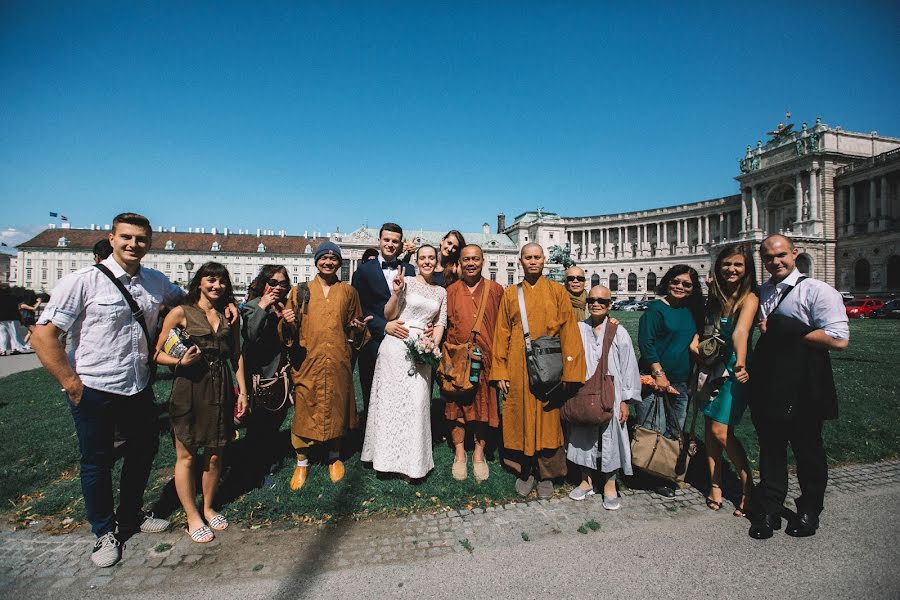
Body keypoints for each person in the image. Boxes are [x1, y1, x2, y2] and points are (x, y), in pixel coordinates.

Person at [30, 213, 178, 568]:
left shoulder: (156, 281)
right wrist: (71, 383)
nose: (133, 244)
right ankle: (103, 532)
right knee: (96, 462)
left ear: (150, 242)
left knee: (143, 452)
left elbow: (188, 299)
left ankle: (130, 515)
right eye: (126, 237)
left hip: (138, 385)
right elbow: (43, 335)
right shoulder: (82, 281)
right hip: (95, 387)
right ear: (111, 238)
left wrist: (229, 305)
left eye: (141, 239)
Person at [748, 234, 849, 540]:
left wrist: (785, 328)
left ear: (794, 253)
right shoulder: (762, 291)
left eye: (781, 255)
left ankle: (809, 509)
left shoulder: (818, 290)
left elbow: (839, 340)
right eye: (768, 257)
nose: (775, 261)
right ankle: (769, 508)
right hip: (770, 378)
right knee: (771, 447)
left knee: (807, 447)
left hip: (806, 377)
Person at [154, 262, 247, 544]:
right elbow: (156, 352)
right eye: (210, 280)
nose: (216, 286)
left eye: (221, 281)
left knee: (216, 452)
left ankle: (208, 506)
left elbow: (237, 356)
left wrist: (242, 392)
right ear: (199, 282)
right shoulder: (181, 313)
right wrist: (179, 361)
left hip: (220, 387)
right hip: (190, 387)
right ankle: (192, 516)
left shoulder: (229, 315)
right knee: (187, 454)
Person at [491, 243, 586, 499]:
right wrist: (500, 370)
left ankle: (547, 473)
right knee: (518, 414)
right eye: (528, 258)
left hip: (550, 366)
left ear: (544, 260)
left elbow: (569, 331)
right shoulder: (511, 293)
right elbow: (501, 333)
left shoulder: (557, 291)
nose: (532, 262)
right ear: (520, 261)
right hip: (517, 364)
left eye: (537, 257)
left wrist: (571, 373)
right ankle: (525, 470)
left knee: (548, 419)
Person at [279, 243, 370, 490]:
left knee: (337, 405)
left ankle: (334, 456)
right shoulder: (300, 291)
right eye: (324, 258)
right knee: (304, 408)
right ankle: (302, 461)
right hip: (308, 359)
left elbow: (355, 326)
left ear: (340, 263)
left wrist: (359, 329)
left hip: (338, 358)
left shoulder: (349, 292)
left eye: (333, 259)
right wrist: (287, 323)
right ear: (317, 261)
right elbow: (287, 330)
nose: (328, 262)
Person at [361, 245, 447, 479]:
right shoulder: (405, 280)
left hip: (422, 349)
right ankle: (385, 461)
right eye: (423, 258)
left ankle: (413, 464)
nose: (427, 262)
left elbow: (440, 323)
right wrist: (397, 293)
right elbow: (389, 315)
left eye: (431, 258)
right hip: (396, 344)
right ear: (416, 261)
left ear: (436, 261)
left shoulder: (441, 292)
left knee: (417, 403)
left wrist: (432, 346)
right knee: (390, 404)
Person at [692, 243, 758, 516]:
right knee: (709, 427)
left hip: (734, 368)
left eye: (738, 265)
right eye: (727, 264)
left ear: (746, 270)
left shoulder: (749, 298)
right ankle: (715, 484)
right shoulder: (715, 296)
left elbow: (740, 332)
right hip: (710, 364)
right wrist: (695, 342)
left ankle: (748, 487)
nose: (732, 269)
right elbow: (706, 328)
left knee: (721, 430)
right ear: (718, 266)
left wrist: (741, 361)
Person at [567, 285, 641, 509]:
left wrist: (624, 400)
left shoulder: (619, 332)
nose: (596, 303)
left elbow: (629, 366)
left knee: (612, 437)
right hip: (584, 390)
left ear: (610, 305)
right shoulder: (578, 328)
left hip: (612, 391)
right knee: (582, 434)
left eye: (602, 301)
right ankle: (585, 480)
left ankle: (610, 484)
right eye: (592, 300)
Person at [636, 264, 704, 497]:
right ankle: (650, 473)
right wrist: (658, 373)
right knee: (654, 427)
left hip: (682, 380)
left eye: (686, 284)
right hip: (655, 381)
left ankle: (667, 469)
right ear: (668, 282)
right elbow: (646, 343)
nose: (680, 286)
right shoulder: (656, 309)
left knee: (676, 428)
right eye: (676, 281)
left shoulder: (690, 311)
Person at [443, 244, 504, 482]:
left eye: (475, 259)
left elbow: (506, 327)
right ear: (459, 262)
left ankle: (479, 453)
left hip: (486, 361)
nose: (471, 263)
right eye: (466, 259)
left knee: (483, 410)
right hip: (457, 363)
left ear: (483, 261)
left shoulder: (496, 290)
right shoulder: (450, 291)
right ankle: (460, 453)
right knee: (456, 409)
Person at [351, 223, 416, 418]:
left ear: (401, 244)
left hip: (402, 336)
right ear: (379, 241)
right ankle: (371, 432)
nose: (390, 244)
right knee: (372, 387)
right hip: (373, 338)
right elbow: (359, 307)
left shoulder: (409, 269)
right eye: (386, 240)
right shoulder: (363, 271)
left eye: (394, 241)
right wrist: (384, 325)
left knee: (400, 387)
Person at [240, 265, 293, 487]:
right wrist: (263, 306)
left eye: (283, 284)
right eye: (273, 283)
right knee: (259, 426)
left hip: (281, 376)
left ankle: (266, 463)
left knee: (273, 423)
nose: (278, 288)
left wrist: (293, 322)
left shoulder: (285, 307)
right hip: (260, 376)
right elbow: (250, 335)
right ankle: (255, 470)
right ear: (264, 283)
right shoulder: (251, 307)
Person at [402, 230, 466, 287]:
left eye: (454, 247)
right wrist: (408, 254)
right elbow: (403, 269)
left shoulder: (454, 269)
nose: (450, 248)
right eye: (449, 243)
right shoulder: (426, 261)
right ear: (442, 241)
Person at [0, 284, 29, 355]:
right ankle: (15, 348)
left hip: (1, 318)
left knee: (3, 335)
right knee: (14, 334)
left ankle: (2, 350)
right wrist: (21, 318)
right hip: (13, 317)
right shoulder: (13, 297)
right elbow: (17, 308)